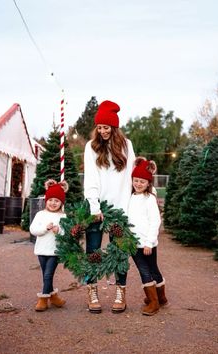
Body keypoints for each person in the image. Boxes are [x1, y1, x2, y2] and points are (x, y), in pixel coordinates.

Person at [84, 100, 135, 314]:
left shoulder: (126, 145)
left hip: (120, 209)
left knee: (119, 253)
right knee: (93, 251)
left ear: (114, 127)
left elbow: (130, 177)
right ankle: (92, 291)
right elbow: (91, 179)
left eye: (106, 127)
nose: (103, 131)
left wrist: (127, 208)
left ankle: (120, 292)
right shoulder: (91, 147)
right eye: (100, 127)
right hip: (98, 208)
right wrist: (94, 207)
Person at [128, 157, 168, 316]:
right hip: (133, 243)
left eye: (142, 182)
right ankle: (160, 297)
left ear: (148, 183)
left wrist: (149, 243)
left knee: (149, 270)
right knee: (147, 270)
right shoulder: (130, 197)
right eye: (136, 180)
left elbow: (155, 221)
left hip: (146, 243)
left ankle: (154, 303)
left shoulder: (149, 199)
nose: (138, 184)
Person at [29, 179, 68, 312]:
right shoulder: (40, 215)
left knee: (48, 275)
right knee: (45, 274)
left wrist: (59, 231)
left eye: (57, 201)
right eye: (51, 200)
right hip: (41, 250)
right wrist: (45, 228)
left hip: (55, 251)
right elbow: (33, 230)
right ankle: (54, 297)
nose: (53, 203)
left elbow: (66, 233)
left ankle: (43, 299)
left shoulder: (63, 216)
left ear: (61, 203)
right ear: (46, 200)